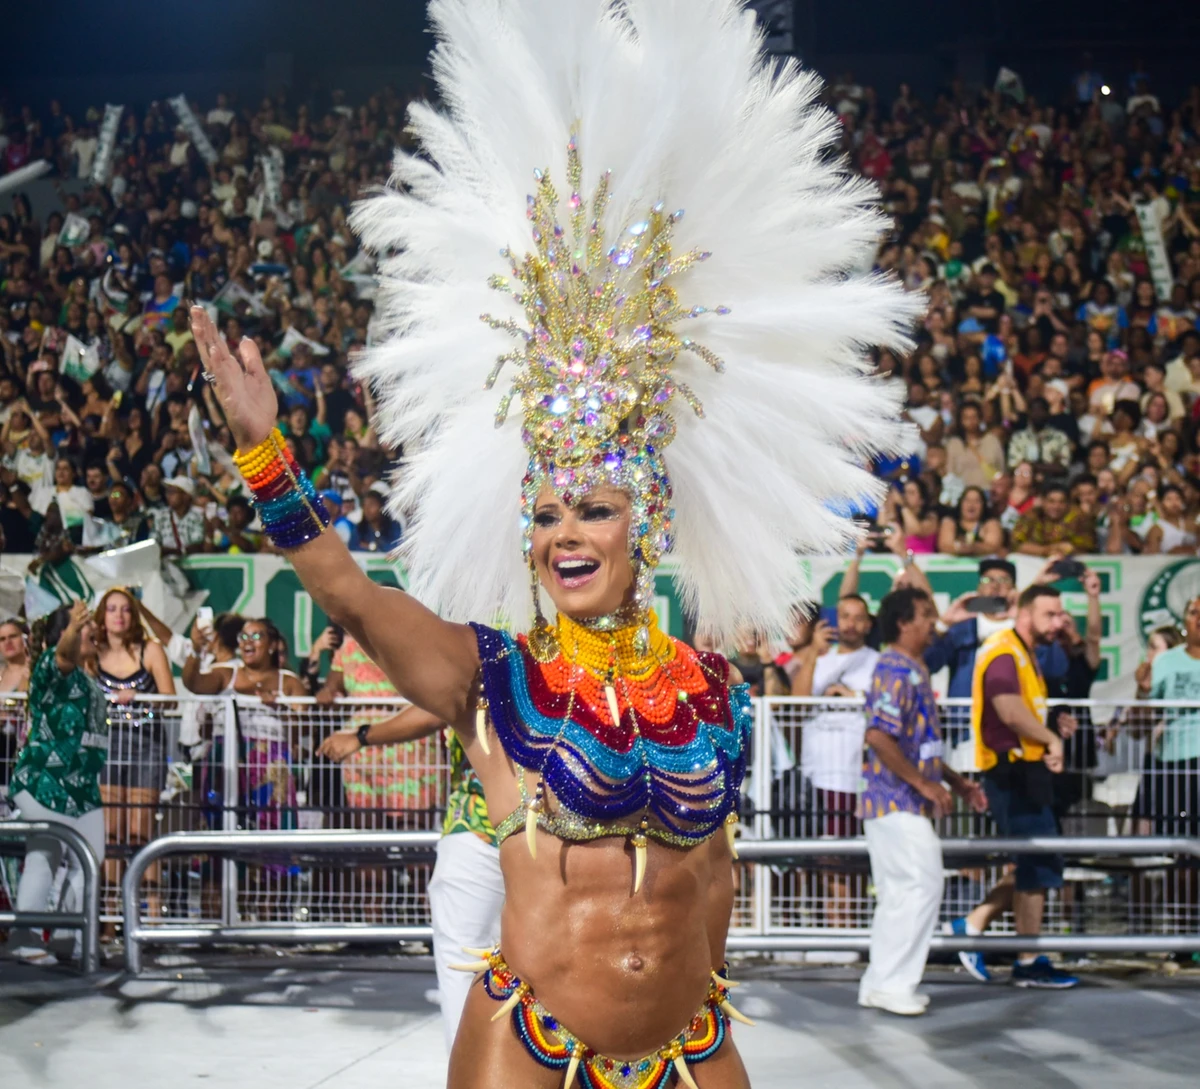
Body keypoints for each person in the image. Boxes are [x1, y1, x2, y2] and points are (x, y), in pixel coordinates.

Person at [187, 0, 918, 1080]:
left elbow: (712, 880)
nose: (562, 535)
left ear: (646, 524)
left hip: (690, 1038)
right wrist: (263, 451)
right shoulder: (490, 682)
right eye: (544, 514)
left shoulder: (712, 688)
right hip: (531, 1043)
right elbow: (343, 594)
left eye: (592, 510)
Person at [320, 703, 506, 1052]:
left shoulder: (481, 649)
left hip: (483, 825)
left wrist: (362, 736)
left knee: (463, 965)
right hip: (553, 830)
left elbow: (436, 705)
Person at [858, 588, 988, 1016]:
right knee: (923, 882)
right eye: (926, 614)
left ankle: (881, 984)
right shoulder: (893, 668)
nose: (933, 622)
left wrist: (954, 781)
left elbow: (921, 745)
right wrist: (926, 785)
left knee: (901, 891)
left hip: (902, 800)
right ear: (903, 623)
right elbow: (878, 736)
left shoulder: (913, 668)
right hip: (893, 800)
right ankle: (892, 984)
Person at [948, 585, 1081, 989]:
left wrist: (1051, 724)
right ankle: (1025, 958)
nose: (1059, 622)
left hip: (1022, 773)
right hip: (1012, 774)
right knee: (1038, 861)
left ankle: (974, 926)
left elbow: (1023, 711)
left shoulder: (1022, 653)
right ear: (1025, 613)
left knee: (1037, 862)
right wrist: (1051, 739)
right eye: (1051, 614)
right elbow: (1007, 709)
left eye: (1060, 615)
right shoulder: (1005, 649)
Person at [2, 603, 108, 965]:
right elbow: (63, 654)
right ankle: (23, 938)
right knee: (46, 853)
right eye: (85, 626)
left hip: (82, 790)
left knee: (90, 861)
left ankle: (69, 940)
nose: (93, 630)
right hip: (45, 783)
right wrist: (71, 632)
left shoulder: (87, 678)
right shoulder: (51, 667)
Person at [791, 595, 878, 930]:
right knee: (817, 857)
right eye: (844, 616)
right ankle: (825, 927)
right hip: (816, 773)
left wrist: (850, 696)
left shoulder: (875, 660)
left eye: (858, 618)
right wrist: (813, 650)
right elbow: (796, 704)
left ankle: (846, 928)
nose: (850, 624)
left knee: (845, 858)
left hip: (850, 773)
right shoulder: (820, 659)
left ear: (868, 624)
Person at [93, 587, 176, 925]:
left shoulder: (150, 650)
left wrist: (139, 695)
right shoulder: (92, 654)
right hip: (107, 745)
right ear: (102, 616)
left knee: (141, 830)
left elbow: (171, 698)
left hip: (146, 745)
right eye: (111, 609)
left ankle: (152, 918)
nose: (119, 615)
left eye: (125, 609)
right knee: (111, 831)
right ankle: (112, 917)